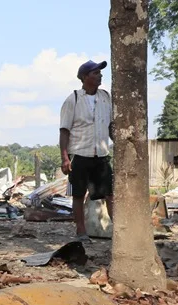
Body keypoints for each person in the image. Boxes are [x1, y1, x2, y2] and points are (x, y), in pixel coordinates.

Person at [59, 60, 114, 241]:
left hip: (101, 154)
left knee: (109, 194)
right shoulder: (73, 99)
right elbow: (65, 130)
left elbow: (112, 126)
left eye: (100, 73)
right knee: (78, 194)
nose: (100, 76)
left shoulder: (106, 98)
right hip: (80, 155)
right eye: (95, 73)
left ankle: (119, 231)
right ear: (85, 77)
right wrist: (65, 158)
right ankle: (81, 231)